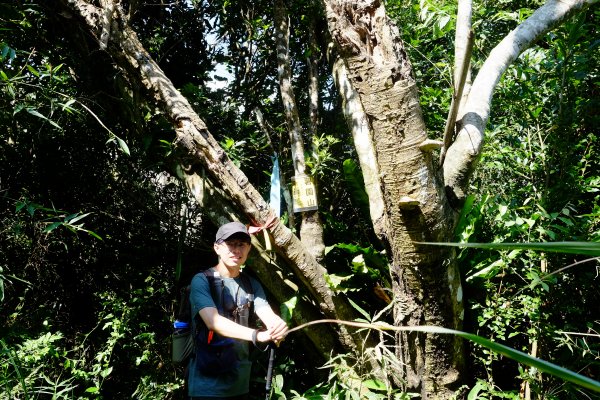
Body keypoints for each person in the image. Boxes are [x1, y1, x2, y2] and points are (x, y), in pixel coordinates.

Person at [188, 221, 288, 400]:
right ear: (217, 248)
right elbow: (213, 322)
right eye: (230, 244)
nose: (236, 250)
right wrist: (257, 335)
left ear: (249, 249)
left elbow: (267, 314)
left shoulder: (251, 284)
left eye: (242, 244)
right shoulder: (201, 281)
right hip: (207, 387)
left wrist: (277, 327)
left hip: (240, 385)